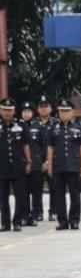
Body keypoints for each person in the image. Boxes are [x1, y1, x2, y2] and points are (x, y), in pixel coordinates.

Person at [48, 99, 81, 231]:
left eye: (66, 111)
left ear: (72, 112)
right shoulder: (53, 128)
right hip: (58, 166)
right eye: (61, 111)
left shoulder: (78, 127)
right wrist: (50, 166)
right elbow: (50, 148)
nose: (64, 114)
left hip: (74, 165)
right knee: (59, 195)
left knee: (75, 194)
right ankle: (62, 221)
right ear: (58, 112)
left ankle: (74, 220)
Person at [0, 98, 30, 232]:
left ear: (14, 111)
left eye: (10, 110)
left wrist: (29, 161)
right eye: (5, 110)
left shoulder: (21, 125)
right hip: (2, 166)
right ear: (1, 110)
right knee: (3, 197)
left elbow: (26, 145)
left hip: (18, 166)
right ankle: (5, 223)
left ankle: (17, 222)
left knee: (20, 196)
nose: (7, 112)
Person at [19, 101, 42, 227]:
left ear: (32, 113)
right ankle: (24, 215)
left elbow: (44, 145)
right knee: (23, 192)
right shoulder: (17, 126)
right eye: (24, 111)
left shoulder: (38, 126)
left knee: (36, 192)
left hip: (36, 164)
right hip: (21, 164)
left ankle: (35, 214)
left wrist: (44, 161)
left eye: (28, 111)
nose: (26, 114)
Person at [35, 96, 57, 221]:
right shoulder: (32, 124)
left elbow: (57, 144)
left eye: (46, 106)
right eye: (41, 107)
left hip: (52, 161)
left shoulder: (56, 123)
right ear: (38, 109)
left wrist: (49, 161)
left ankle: (53, 212)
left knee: (54, 188)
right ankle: (38, 212)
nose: (43, 109)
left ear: (50, 108)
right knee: (36, 189)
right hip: (37, 162)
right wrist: (39, 162)